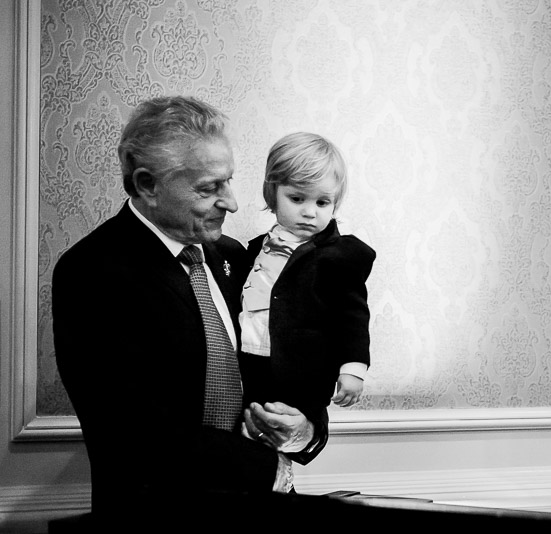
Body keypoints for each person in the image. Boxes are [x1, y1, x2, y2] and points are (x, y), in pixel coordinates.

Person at [52, 97, 328, 529]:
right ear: (147, 185)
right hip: (157, 528)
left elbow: (288, 363)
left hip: (257, 520)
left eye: (229, 181)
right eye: (208, 187)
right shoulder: (93, 271)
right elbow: (135, 434)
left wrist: (305, 429)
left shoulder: (235, 259)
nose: (232, 203)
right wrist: (265, 469)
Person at [238, 132, 376, 489]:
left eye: (322, 202)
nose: (309, 211)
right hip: (250, 360)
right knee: (252, 427)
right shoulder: (251, 251)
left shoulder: (338, 255)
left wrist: (353, 368)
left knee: (285, 422)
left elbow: (353, 315)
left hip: (301, 367)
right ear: (273, 194)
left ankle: (275, 480)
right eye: (297, 198)